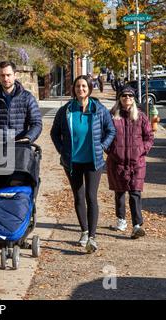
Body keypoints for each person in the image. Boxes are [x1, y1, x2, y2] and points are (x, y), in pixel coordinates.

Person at [50, 75, 116, 253]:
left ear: (89, 88)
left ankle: (93, 237)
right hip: (72, 162)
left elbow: (111, 130)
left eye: (84, 86)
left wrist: (102, 146)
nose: (81, 89)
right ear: (74, 89)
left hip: (93, 161)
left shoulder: (99, 109)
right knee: (78, 197)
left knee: (91, 196)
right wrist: (62, 151)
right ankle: (84, 231)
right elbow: (54, 133)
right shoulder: (66, 110)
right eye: (78, 86)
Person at [106, 86, 154, 239]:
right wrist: (112, 151)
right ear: (119, 98)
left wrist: (142, 150)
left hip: (136, 162)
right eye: (124, 95)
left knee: (135, 193)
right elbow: (103, 135)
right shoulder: (112, 116)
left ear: (134, 99)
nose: (127, 98)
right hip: (116, 161)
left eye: (130, 96)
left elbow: (149, 137)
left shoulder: (140, 116)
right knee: (119, 192)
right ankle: (121, 220)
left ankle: (137, 225)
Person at [0, 61, 42, 144]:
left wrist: (28, 138)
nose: (5, 78)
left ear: (15, 75)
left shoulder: (27, 98)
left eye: (8, 75)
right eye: (2, 75)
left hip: (21, 147)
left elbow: (36, 123)